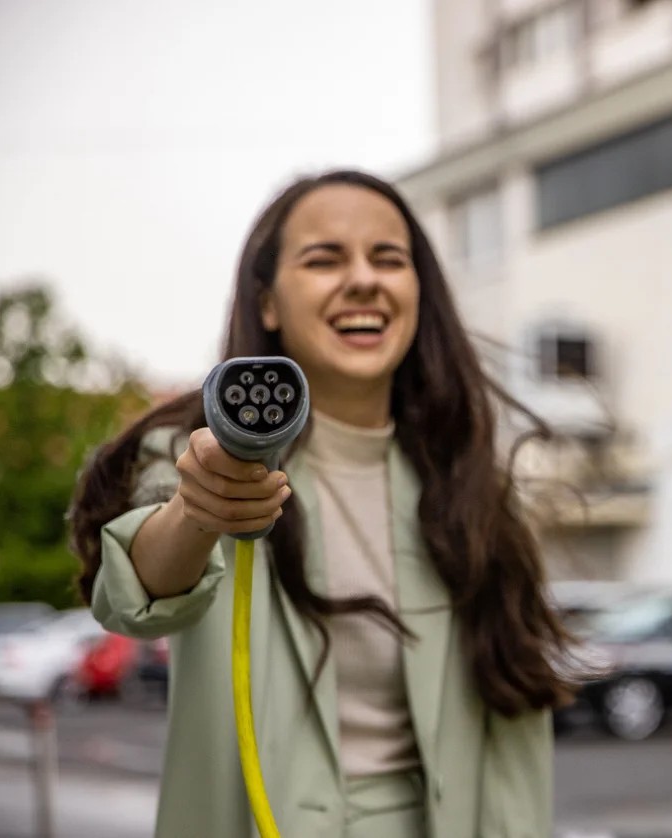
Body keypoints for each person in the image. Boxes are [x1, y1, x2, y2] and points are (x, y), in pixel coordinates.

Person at [69, 169, 576, 838]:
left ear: (418, 293)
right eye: (324, 258)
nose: (363, 279)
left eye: (388, 258)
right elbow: (136, 592)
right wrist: (198, 511)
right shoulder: (193, 452)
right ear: (269, 303)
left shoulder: (467, 478)